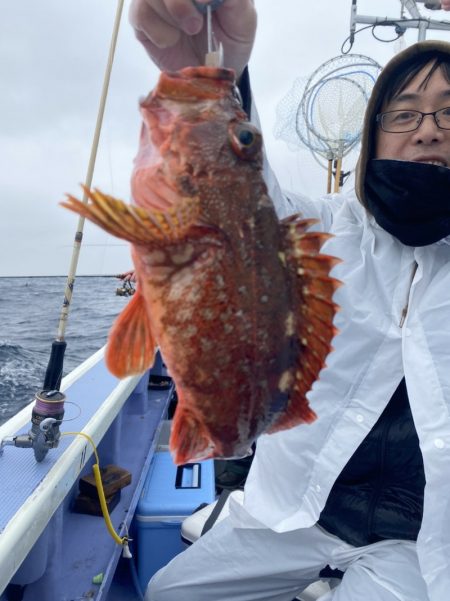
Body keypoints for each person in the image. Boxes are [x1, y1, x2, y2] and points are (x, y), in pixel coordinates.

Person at [129, 2, 450, 600]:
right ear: (372, 140)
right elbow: (236, 203)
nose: (429, 128)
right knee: (171, 593)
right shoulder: (325, 229)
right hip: (297, 514)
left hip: (419, 540)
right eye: (404, 114)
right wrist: (203, 77)